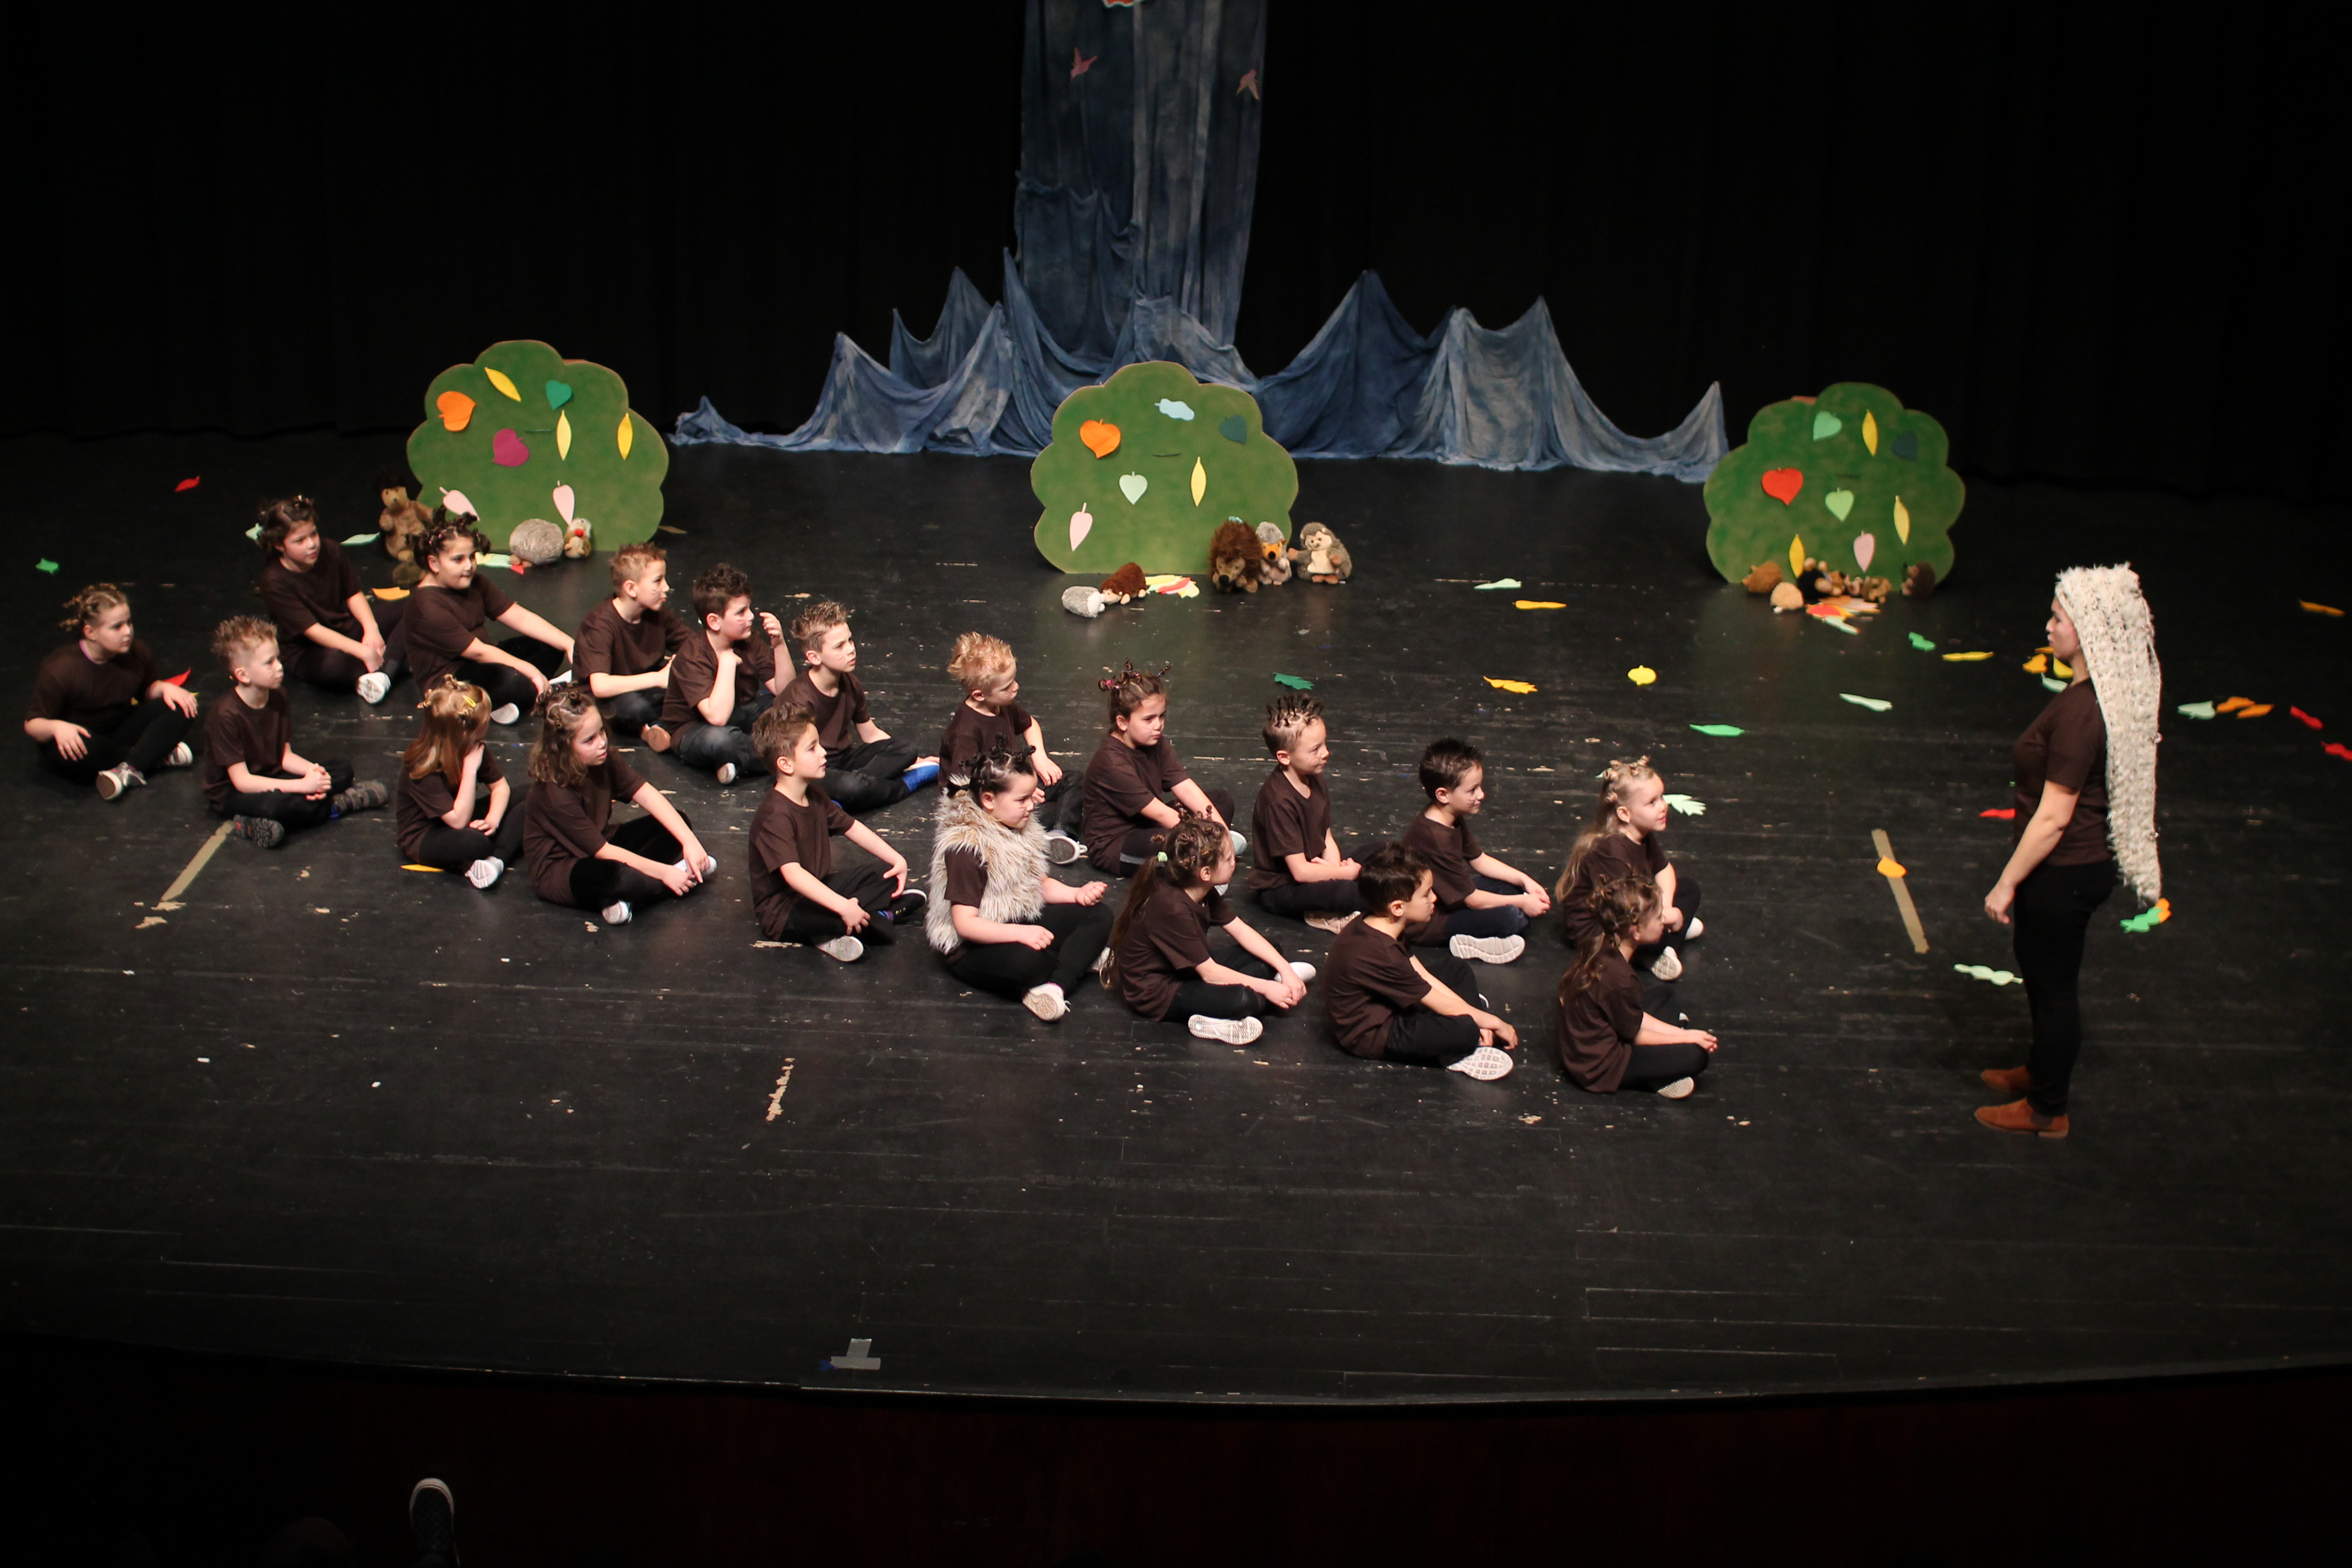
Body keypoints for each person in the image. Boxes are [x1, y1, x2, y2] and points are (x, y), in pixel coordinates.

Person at [1977, 565, 2162, 1139]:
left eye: (2058, 618)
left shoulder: (2084, 713)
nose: (2049, 626)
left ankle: (2047, 1109)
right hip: (2066, 868)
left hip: (2065, 870)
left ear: (2086, 631)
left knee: (2054, 989)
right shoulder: (2087, 695)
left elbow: (2055, 815)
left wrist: (2006, 882)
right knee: (2039, 972)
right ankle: (2041, 1070)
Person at [925, 744, 1112, 1020]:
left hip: (1017, 918)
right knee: (1028, 963)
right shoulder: (967, 849)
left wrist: (1077, 894)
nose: (1032, 805)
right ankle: (1074, 963)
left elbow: (1039, 884)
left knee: (1099, 915)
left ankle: (1056, 985)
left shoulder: (1018, 826)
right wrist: (1020, 934)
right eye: (1022, 799)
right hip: (972, 946)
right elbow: (966, 925)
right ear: (989, 800)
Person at [1102, 813, 1314, 1046]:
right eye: (1229, 859)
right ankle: (1212, 1019)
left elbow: (1241, 931)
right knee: (1246, 999)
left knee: (1271, 953)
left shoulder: (1202, 889)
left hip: (1187, 969)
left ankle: (1270, 986)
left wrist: (1285, 970)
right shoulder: (1171, 907)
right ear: (1205, 873)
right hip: (1160, 991)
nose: (1234, 863)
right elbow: (1210, 973)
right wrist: (1268, 987)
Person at [1323, 844, 1517, 1080]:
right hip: (1376, 1033)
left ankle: (1471, 1017)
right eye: (1426, 895)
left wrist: (1476, 1017)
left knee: (1456, 969)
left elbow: (1421, 974)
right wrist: (1494, 1023)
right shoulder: (1382, 952)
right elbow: (1437, 1001)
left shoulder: (1379, 922)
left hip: (1389, 1002)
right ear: (1398, 907)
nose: (1434, 898)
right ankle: (1455, 1051)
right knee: (1465, 1030)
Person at [522, 687, 714, 925]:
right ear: (564, 747)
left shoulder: (603, 758)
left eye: (601, 731)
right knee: (622, 878)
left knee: (678, 822)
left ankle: (630, 897)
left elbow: (646, 794)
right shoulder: (555, 792)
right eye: (589, 740)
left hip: (602, 843)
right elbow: (603, 852)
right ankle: (672, 880)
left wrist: (689, 842)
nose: (602, 742)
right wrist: (665, 873)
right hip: (564, 869)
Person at [747, 703, 922, 962]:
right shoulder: (775, 816)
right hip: (785, 911)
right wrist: (843, 906)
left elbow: (851, 827)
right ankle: (877, 917)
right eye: (812, 748)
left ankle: (859, 918)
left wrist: (897, 859)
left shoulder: (814, 794)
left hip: (818, 886)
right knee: (853, 920)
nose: (823, 753)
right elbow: (793, 875)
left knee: (885, 873)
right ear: (786, 764)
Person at [200, 616, 387, 848]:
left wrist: (314, 774)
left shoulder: (278, 696)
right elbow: (243, 781)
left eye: (278, 658)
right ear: (243, 675)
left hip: (274, 776)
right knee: (275, 806)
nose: (279, 667)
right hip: (234, 793)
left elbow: (284, 757)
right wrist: (303, 786)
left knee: (341, 769)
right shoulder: (226, 715)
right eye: (269, 663)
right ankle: (336, 806)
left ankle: (306, 809)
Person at [24, 582, 198, 800]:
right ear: (91, 633)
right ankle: (152, 757)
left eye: (129, 623)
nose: (128, 632)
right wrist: (56, 727)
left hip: (120, 729)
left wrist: (163, 688)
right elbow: (33, 724)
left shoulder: (136, 652)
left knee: (181, 706)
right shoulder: (60, 669)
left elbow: (145, 692)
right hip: (83, 740)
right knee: (75, 753)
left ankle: (129, 768)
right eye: (117, 627)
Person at [1556, 873, 1719, 1098]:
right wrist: (1686, 1038)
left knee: (1666, 994)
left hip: (1590, 1043)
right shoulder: (1619, 978)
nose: (1663, 921)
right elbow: (1635, 1035)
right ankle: (1656, 1076)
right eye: (1658, 918)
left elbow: (1633, 1017)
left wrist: (1674, 1033)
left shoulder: (1599, 945)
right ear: (1636, 931)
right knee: (1696, 1055)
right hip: (1599, 1067)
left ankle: (1661, 1063)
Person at [402, 511, 573, 723]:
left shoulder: (476, 582)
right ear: (434, 563)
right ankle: (542, 691)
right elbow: (479, 652)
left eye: (471, 557)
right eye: (458, 560)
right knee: (513, 680)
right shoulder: (426, 606)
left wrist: (569, 644)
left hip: (481, 663)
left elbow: (518, 616)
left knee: (549, 645)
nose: (469, 566)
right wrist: (532, 671)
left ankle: (513, 701)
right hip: (451, 683)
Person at [1080, 661, 1244, 876]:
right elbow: (1162, 814)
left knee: (1220, 801)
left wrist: (1222, 836)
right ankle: (1208, 855)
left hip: (1149, 826)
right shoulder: (1112, 764)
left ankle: (1210, 851)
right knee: (1183, 841)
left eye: (1161, 716)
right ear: (1122, 722)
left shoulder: (1156, 742)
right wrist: (1212, 838)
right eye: (1149, 719)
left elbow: (1186, 788)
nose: (1158, 725)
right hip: (1119, 846)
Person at [778, 599, 938, 811]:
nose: (851, 649)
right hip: (814, 768)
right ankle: (901, 786)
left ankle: (857, 791)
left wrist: (915, 760)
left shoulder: (850, 682)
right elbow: (793, 756)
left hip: (846, 761)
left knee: (906, 749)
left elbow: (870, 734)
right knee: (852, 786)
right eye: (840, 646)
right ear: (815, 657)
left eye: (850, 641)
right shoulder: (799, 698)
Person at [1402, 737, 1550, 963]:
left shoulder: (1450, 817)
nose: (1481, 795)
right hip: (1430, 920)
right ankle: (1470, 942)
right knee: (1512, 918)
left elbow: (1479, 859)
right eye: (1472, 790)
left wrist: (1524, 881)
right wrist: (1522, 902)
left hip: (1446, 898)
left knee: (1508, 887)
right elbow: (1472, 900)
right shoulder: (1436, 838)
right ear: (1443, 795)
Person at [1555, 755, 1704, 979]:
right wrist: (1667, 918)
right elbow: (1624, 913)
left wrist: (1665, 909)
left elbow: (1664, 870)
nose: (1663, 807)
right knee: (1653, 935)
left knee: (1689, 888)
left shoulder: (1642, 834)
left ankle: (1669, 937)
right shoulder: (1611, 852)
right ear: (1625, 814)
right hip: (1600, 930)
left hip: (1635, 908)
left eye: (1662, 798)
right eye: (1652, 803)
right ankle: (1667, 947)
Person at [939, 630, 1081, 859]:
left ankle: (1060, 834)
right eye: (1007, 687)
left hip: (1016, 782)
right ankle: (1037, 834)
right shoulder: (966, 734)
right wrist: (1020, 794)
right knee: (1051, 809)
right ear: (979, 695)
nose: (1016, 688)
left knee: (1072, 780)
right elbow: (965, 788)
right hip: (994, 798)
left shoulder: (1001, 704)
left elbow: (1029, 724)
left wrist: (1040, 758)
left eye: (1014, 680)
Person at [254, 494, 404, 703]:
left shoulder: (331, 550)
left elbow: (353, 593)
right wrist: (363, 652)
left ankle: (382, 671)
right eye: (300, 541)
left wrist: (371, 629)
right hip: (312, 650)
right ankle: (394, 662)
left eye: (314, 535)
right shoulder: (274, 580)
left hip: (347, 629)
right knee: (334, 665)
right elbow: (313, 630)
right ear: (280, 545)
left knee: (410, 608)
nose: (312, 544)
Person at [657, 562, 787, 783]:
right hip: (696, 729)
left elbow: (784, 690)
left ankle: (738, 761)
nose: (750, 617)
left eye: (749, 608)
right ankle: (784, 756)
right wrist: (727, 662)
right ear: (714, 622)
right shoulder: (692, 655)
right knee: (723, 741)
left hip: (739, 713)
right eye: (741, 613)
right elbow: (717, 718)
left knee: (793, 705)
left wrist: (780, 645)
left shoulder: (749, 639)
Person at [1249, 694, 1365, 932]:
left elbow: (1326, 836)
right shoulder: (1279, 801)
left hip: (1315, 864)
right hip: (1282, 887)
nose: (1326, 753)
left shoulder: (1314, 777)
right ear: (1285, 757)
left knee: (1379, 852)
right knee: (1347, 891)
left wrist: (1336, 870)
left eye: (1324, 744)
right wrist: (1344, 875)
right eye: (1315, 749)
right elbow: (1300, 872)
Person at [396, 675, 522, 888]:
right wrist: (470, 770)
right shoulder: (422, 765)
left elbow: (501, 787)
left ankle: (493, 862)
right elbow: (458, 821)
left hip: (461, 812)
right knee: (475, 842)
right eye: (485, 722)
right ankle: (497, 853)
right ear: (465, 732)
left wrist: (492, 821)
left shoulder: (473, 746)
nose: (488, 724)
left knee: (532, 796)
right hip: (427, 836)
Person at [574, 541, 689, 743]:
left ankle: (655, 728)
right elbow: (601, 686)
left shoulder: (657, 614)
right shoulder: (600, 624)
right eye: (658, 581)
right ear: (631, 588)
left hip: (643, 685)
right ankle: (655, 727)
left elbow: (692, 643)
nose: (666, 587)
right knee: (635, 708)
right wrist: (658, 678)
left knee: (689, 688)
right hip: (608, 697)